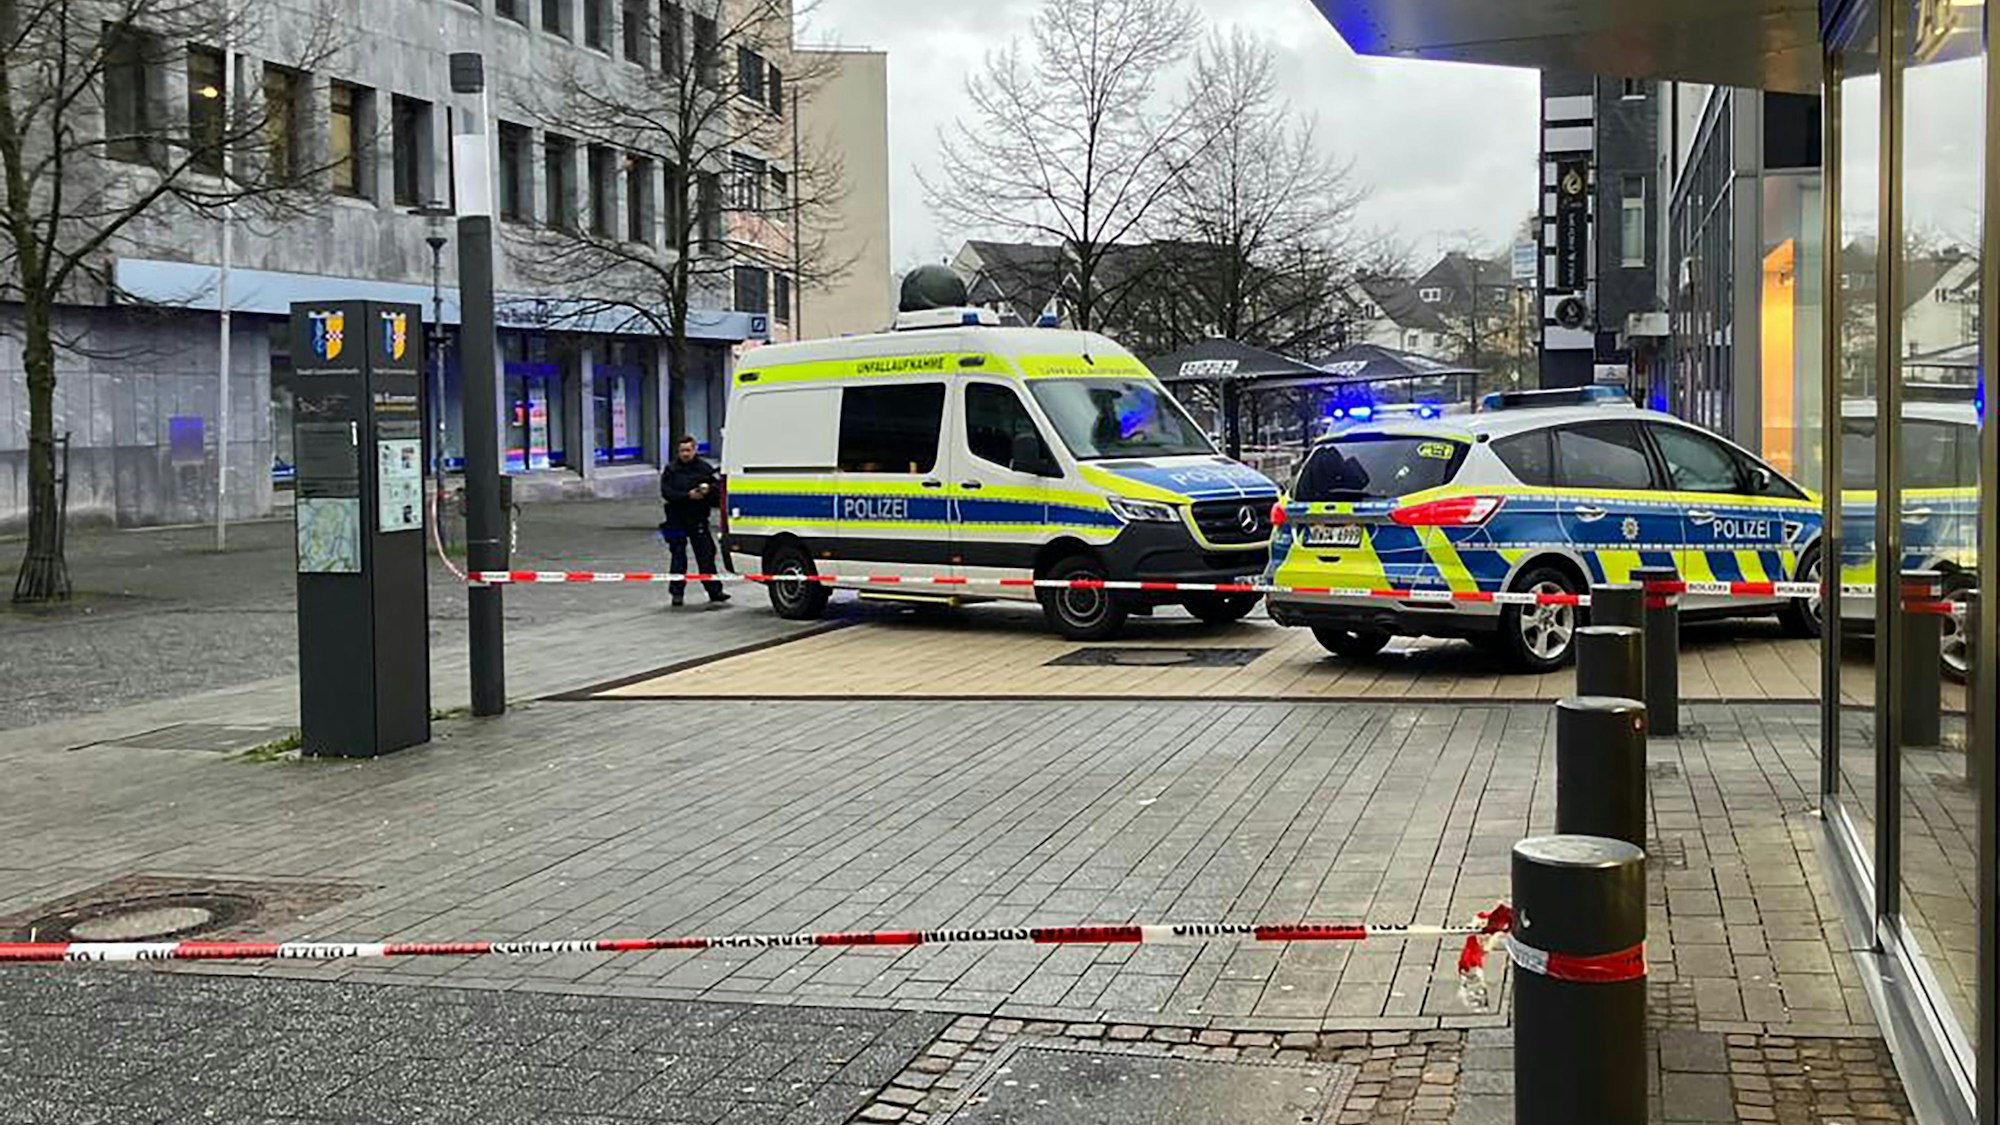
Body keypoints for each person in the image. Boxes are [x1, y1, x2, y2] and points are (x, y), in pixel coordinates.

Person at [659, 435, 729, 607]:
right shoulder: (671, 470)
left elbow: (717, 490)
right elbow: (667, 493)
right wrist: (687, 496)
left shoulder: (703, 468)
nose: (685, 454)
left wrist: (707, 489)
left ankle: (714, 591)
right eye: (682, 450)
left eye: (688, 450)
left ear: (694, 450)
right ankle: (677, 593)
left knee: (706, 554)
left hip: (698, 518)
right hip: (675, 518)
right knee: (677, 557)